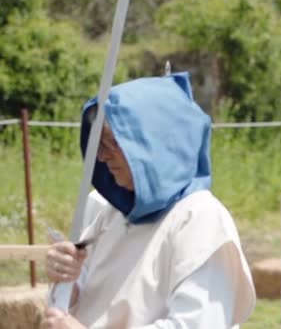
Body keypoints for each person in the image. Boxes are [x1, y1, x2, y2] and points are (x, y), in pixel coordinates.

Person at [42, 72, 256, 328]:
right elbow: (78, 301)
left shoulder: (199, 218)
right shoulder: (111, 212)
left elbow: (199, 324)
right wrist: (66, 281)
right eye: (99, 145)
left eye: (112, 144)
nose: (102, 158)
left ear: (152, 145)